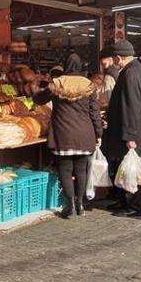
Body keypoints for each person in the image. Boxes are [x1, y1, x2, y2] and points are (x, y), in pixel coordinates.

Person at [34, 53, 101, 218]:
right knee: (81, 170)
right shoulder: (89, 85)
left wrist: (37, 90)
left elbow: (39, 99)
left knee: (64, 170)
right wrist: (98, 133)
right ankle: (80, 203)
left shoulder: (57, 83)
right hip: (84, 134)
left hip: (63, 134)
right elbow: (95, 113)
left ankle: (69, 204)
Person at [102, 40, 141, 217]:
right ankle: (125, 200)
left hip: (134, 132)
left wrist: (130, 135)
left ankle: (135, 205)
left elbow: (130, 107)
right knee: (127, 167)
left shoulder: (131, 74)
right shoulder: (139, 70)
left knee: (133, 168)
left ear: (118, 57)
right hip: (138, 130)